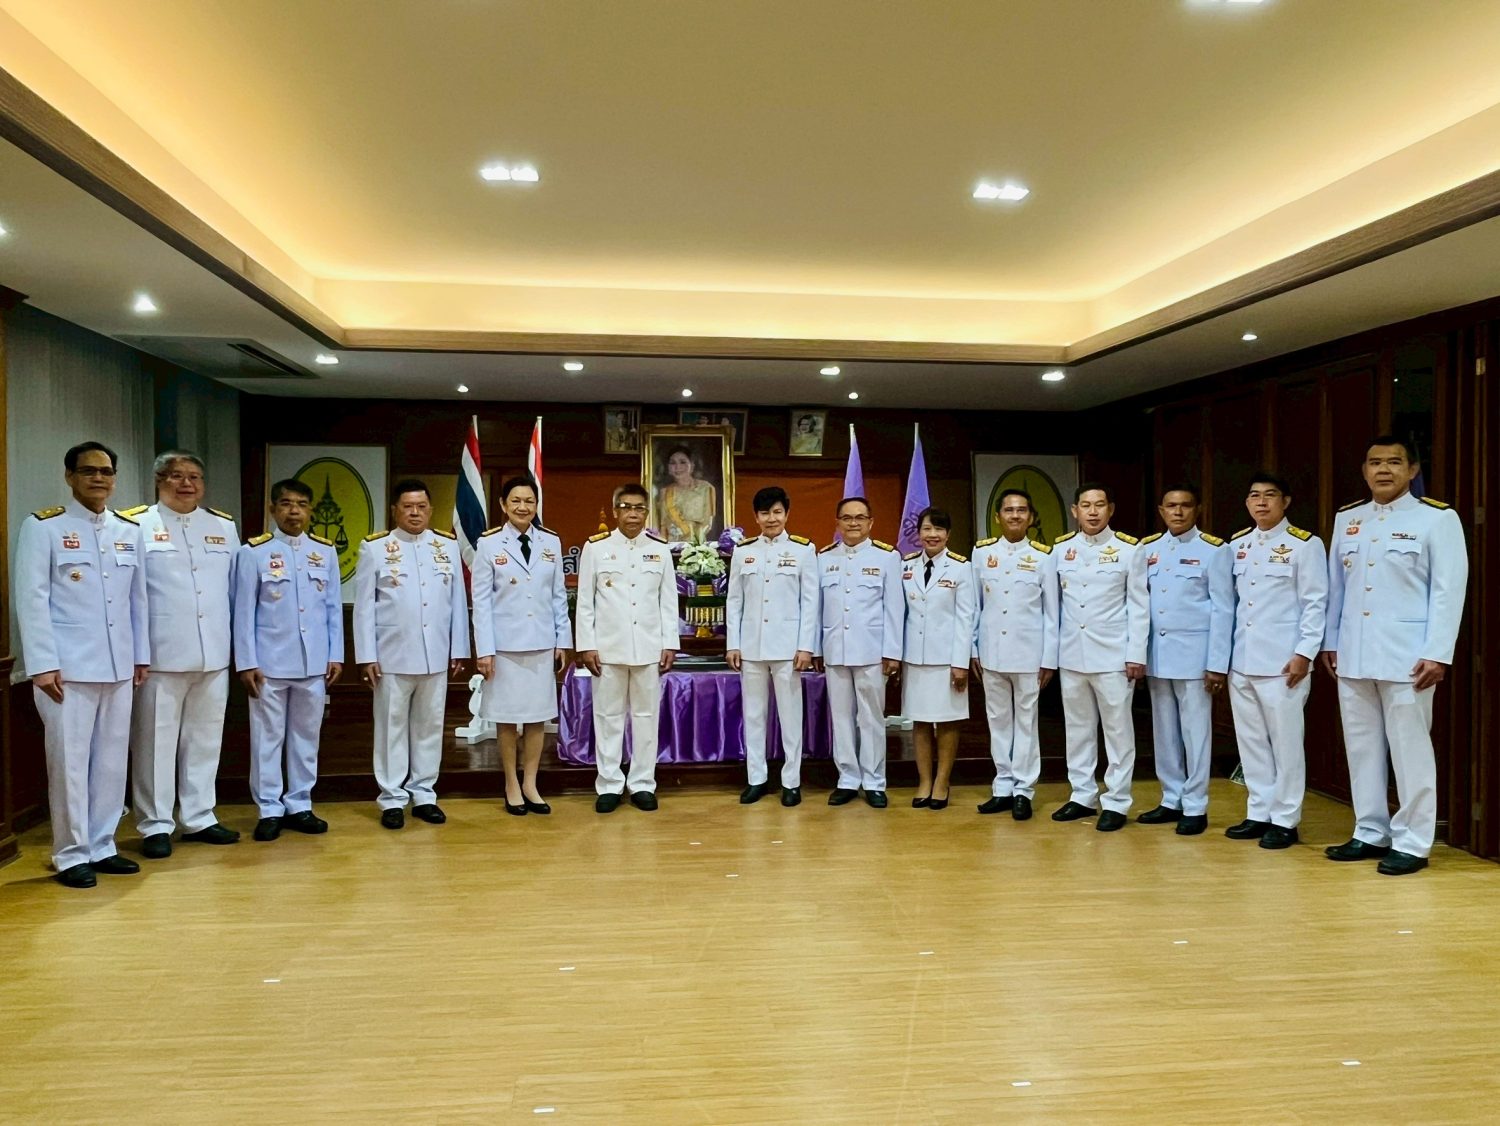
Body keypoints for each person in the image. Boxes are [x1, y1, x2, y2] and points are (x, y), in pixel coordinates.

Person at [1320, 437, 1468, 875]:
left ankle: (1413, 841)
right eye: (1375, 462)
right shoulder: (1348, 518)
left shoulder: (1436, 518)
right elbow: (1336, 588)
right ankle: (1369, 830)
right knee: (1361, 747)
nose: (1383, 470)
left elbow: (1448, 590)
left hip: (1409, 657)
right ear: (1364, 470)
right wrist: (1331, 641)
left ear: (1413, 470)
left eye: (1394, 462)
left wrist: (1438, 653)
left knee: (1410, 750)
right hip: (1353, 653)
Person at [13, 441, 148, 888]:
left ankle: (102, 844)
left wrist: (141, 656)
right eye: (89, 471)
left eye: (106, 472)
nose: (99, 478)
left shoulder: (128, 530)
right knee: (70, 763)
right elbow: (32, 599)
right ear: (69, 476)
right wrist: (42, 664)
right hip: (66, 670)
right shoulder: (44, 527)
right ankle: (70, 853)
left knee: (111, 761)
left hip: (118, 665)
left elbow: (138, 600)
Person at [124, 451, 240, 859]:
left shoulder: (223, 526)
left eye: (194, 476)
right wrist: (137, 653)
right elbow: (130, 594)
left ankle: (199, 816)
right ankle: (155, 823)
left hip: (213, 653)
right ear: (159, 480)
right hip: (160, 655)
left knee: (205, 740)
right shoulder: (136, 525)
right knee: (154, 743)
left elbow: (233, 592)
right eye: (176, 476)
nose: (186, 484)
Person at [354, 478, 470, 830]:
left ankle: (423, 794)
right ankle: (391, 798)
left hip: (435, 654)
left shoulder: (446, 546)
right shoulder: (375, 548)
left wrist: (459, 649)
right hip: (392, 655)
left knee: (430, 726)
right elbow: (364, 607)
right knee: (391, 727)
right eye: (408, 507)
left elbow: (457, 602)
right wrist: (366, 655)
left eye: (421, 507)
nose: (415, 513)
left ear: (431, 510)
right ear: (395, 510)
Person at [233, 478, 344, 841]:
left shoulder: (324, 552)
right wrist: (246, 662)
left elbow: (332, 608)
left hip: (313, 662)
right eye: (285, 504)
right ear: (272, 509)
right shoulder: (253, 552)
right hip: (269, 664)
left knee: (306, 738)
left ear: (310, 510)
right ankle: (269, 808)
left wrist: (335, 654)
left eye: (301, 504)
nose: (294, 511)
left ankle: (300, 803)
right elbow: (243, 612)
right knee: (267, 739)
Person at [1224, 471, 1327, 850]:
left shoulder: (1304, 544)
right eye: (1255, 496)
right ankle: (1259, 811)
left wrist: (1304, 653)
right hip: (1242, 658)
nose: (1262, 502)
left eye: (1270, 495)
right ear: (1247, 503)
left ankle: (1285, 819)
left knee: (1286, 744)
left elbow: (1315, 602)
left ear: (1286, 502)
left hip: (1284, 662)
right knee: (1251, 742)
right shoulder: (1237, 544)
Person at [1136, 485, 1233, 836]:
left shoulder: (1214, 550)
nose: (1178, 512)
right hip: (1158, 655)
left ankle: (1195, 804)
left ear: (1198, 509)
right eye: (1171, 506)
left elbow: (1224, 608)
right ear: (1161, 511)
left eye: (1185, 506)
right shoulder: (1147, 549)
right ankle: (1170, 797)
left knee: (1196, 733)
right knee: (1164, 732)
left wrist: (1217, 663)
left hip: (1195, 657)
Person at [472, 475, 572, 816]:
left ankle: (530, 783)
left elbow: (558, 596)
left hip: (542, 643)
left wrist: (563, 640)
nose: (522, 507)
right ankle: (511, 784)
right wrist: (485, 650)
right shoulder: (488, 544)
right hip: (504, 647)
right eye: (515, 500)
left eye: (529, 501)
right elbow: (481, 603)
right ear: (503, 505)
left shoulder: (550, 542)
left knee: (536, 718)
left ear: (536, 505)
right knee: (506, 718)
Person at [575, 483, 679, 812]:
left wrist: (670, 643)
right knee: (608, 717)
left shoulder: (660, 550)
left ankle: (642, 783)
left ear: (647, 513)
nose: (632, 513)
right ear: (615, 511)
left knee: (646, 718)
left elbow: (668, 602)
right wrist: (587, 645)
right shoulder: (596, 548)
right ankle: (609, 784)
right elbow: (585, 602)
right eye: (626, 507)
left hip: (649, 647)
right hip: (607, 648)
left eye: (638, 508)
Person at [1051, 482, 1147, 832]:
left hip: (1113, 655)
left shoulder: (1129, 550)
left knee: (1118, 731)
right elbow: (1054, 607)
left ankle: (1117, 800)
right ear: (1075, 511)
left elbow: (1139, 606)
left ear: (1111, 510)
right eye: (1086, 505)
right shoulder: (1060, 549)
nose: (1092, 512)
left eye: (1099, 505)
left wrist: (1136, 653)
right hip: (1072, 654)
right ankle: (1082, 795)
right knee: (1077, 729)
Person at [726, 486, 818, 807]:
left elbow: (810, 603)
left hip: (788, 648)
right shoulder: (743, 551)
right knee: (754, 715)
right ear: (756, 516)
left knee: (790, 717)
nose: (771, 518)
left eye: (777, 512)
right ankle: (757, 779)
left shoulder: (804, 550)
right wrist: (733, 643)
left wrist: (806, 646)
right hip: (751, 646)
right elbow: (734, 601)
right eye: (765, 513)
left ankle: (791, 781)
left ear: (787, 514)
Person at [970, 488, 1057, 821]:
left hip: (1028, 654)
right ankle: (1002, 786)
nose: (1015, 515)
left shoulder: (1044, 556)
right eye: (1009, 510)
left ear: (1031, 517)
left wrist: (1049, 658)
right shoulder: (982, 553)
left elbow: (1052, 613)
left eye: (1021, 510)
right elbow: (974, 607)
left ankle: (1024, 790)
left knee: (1026, 722)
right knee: (998, 721)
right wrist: (973, 649)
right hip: (991, 652)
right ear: (997, 517)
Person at [819, 497, 903, 807]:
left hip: (872, 651)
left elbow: (895, 609)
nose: (853, 523)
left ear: (871, 522)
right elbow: (816, 608)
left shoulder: (887, 557)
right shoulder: (824, 557)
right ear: (837, 523)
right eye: (846, 518)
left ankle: (874, 781)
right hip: (835, 649)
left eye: (860, 517)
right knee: (841, 718)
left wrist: (892, 652)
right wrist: (816, 648)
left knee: (871, 718)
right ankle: (847, 778)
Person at [900, 508, 975, 810]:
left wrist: (960, 663)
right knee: (920, 721)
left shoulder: (961, 568)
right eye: (927, 529)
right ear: (918, 533)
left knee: (947, 722)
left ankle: (942, 782)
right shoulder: (905, 565)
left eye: (939, 529)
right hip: (915, 658)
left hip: (947, 660)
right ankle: (924, 781)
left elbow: (966, 619)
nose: (932, 535)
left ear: (948, 534)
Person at [656, 445, 717, 541]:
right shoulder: (665, 492)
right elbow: (663, 526)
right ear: (668, 468)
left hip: (697, 544)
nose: (678, 467)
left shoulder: (705, 488)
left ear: (692, 465)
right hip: (672, 544)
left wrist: (690, 540)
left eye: (683, 462)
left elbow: (707, 523)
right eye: (673, 463)